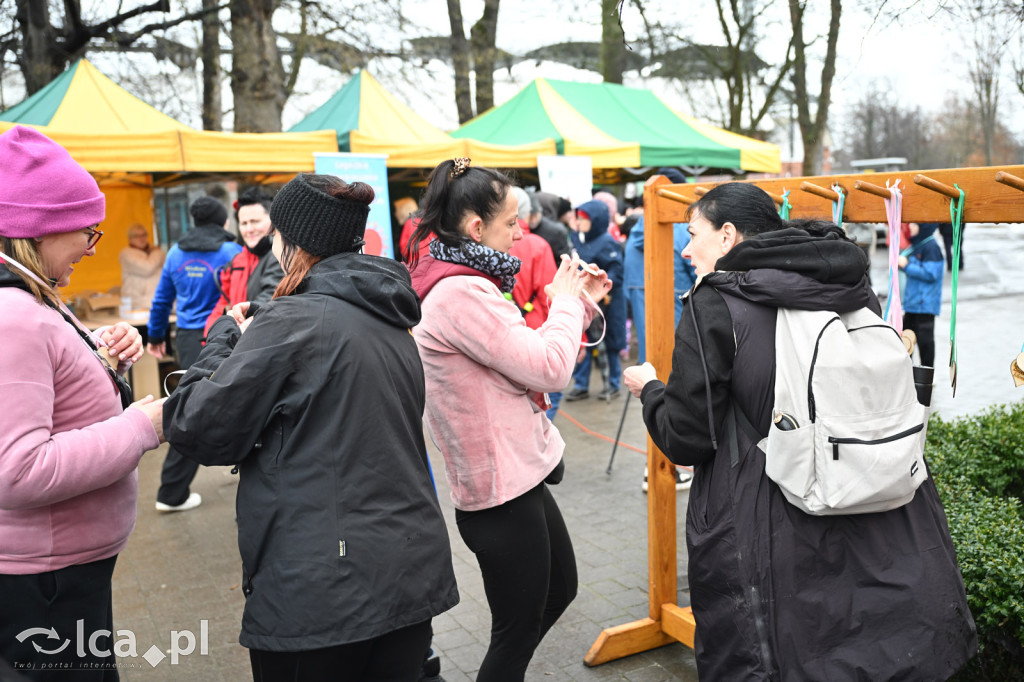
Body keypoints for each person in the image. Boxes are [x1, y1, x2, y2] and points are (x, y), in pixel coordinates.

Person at [623, 183, 977, 680]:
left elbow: (687, 437)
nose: (685, 248)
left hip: (764, 519)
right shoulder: (847, 280)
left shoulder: (715, 301)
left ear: (727, 235)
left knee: (772, 658)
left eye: (693, 233)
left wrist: (652, 390)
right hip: (872, 497)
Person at [163, 173, 459, 681]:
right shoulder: (390, 312)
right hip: (406, 567)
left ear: (291, 242)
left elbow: (198, 426)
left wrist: (225, 338)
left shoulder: (293, 320)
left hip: (323, 588)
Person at [407, 158, 610, 682]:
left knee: (559, 591)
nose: (521, 232)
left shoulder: (465, 279)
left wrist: (578, 305)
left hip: (518, 475)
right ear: (477, 228)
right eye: (511, 222)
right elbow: (548, 368)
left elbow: (524, 355)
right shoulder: (460, 292)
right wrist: (565, 303)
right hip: (499, 490)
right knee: (514, 634)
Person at [0, 125, 164, 679]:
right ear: (39, 231)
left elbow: (43, 382)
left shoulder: (30, 298)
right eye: (86, 232)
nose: (93, 248)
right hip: (47, 582)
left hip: (57, 570)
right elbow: (19, 469)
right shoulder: (14, 316)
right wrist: (142, 425)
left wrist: (100, 352)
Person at [147, 195, 241, 513]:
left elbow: (161, 299)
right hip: (223, 334)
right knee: (202, 410)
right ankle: (171, 492)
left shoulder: (175, 252)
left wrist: (156, 335)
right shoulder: (232, 251)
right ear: (223, 222)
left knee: (190, 405)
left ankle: (172, 491)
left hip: (187, 339)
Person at [622, 168, 696, 492]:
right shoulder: (679, 231)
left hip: (646, 329)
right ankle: (667, 468)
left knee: (651, 390)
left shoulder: (635, 232)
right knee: (672, 392)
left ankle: (654, 468)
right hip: (677, 328)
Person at [565, 199, 627, 401]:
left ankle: (613, 384)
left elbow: (617, 273)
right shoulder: (581, 240)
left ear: (597, 221)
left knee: (610, 345)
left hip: (608, 303)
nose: (579, 222)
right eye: (579, 218)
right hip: (586, 301)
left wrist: (599, 284)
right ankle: (581, 385)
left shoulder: (608, 242)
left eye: (584, 219)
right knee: (584, 342)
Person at [203, 189, 284, 335]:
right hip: (235, 341)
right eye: (244, 223)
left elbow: (270, 298)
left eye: (255, 222)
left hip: (260, 339)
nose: (249, 229)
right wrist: (210, 336)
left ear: (273, 221)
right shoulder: (237, 259)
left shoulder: (280, 256)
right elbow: (223, 302)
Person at [510, 187, 558, 329]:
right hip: (534, 327)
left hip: (496, 326)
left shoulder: (484, 242)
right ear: (527, 212)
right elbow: (550, 295)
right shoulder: (537, 245)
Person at [900, 221, 945, 367]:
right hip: (912, 304)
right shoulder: (917, 244)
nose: (910, 227)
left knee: (925, 344)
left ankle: (927, 375)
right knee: (906, 342)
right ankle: (907, 376)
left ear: (923, 226)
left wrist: (906, 266)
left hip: (924, 305)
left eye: (914, 224)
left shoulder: (931, 247)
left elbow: (931, 273)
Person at [119, 222, 164, 310]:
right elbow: (147, 269)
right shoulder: (126, 253)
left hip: (156, 301)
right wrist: (157, 252)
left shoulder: (152, 251)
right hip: (139, 304)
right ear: (130, 239)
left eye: (144, 235)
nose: (142, 238)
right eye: (137, 236)